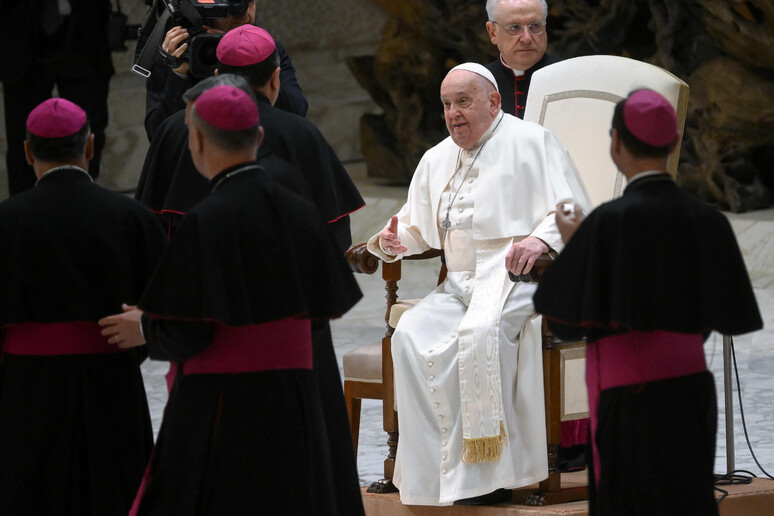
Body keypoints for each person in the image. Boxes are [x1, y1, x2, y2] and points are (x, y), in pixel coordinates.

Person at [102, 85, 363, 514]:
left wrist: (147, 327)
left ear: (197, 143)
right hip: (296, 397)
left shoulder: (205, 220)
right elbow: (321, 309)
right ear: (258, 138)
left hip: (224, 402)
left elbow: (187, 335)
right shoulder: (301, 210)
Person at [366, 62, 590, 506]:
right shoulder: (436, 157)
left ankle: (491, 477)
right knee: (411, 334)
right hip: (458, 286)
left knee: (480, 333)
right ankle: (436, 477)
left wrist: (537, 238)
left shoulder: (533, 142)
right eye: (447, 104)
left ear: (494, 102)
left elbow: (573, 212)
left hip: (517, 279)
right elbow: (419, 230)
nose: (453, 114)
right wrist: (393, 242)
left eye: (463, 102)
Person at [533, 89, 763, 515]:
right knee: (686, 500)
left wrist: (575, 241)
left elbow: (563, 319)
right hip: (691, 390)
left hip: (629, 399)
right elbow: (727, 314)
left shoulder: (605, 223)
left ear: (616, 143)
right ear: (675, 143)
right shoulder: (707, 219)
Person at [0, 98, 167, 514]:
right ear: (92, 146)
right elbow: (166, 307)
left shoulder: (5, 221)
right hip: (111, 385)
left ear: (26, 152)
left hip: (26, 392)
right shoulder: (133, 217)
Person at [137, 25, 363, 248]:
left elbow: (150, 229)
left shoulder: (175, 128)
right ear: (275, 78)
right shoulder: (303, 133)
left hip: (197, 279)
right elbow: (334, 236)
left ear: (217, 75)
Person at [144, 0, 307, 141]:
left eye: (248, 2)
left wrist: (247, 60)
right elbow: (159, 136)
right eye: (229, 3)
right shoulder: (179, 55)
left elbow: (296, 111)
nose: (244, 14)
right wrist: (179, 76)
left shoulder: (269, 50)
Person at [1, 0, 114, 195]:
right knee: (21, 139)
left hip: (84, 31)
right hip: (21, 33)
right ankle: (27, 216)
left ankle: (82, 206)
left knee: (88, 131)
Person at [485, 0, 555, 119]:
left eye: (535, 26)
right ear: (493, 33)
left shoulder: (570, 77)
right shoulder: (478, 83)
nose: (526, 39)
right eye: (514, 27)